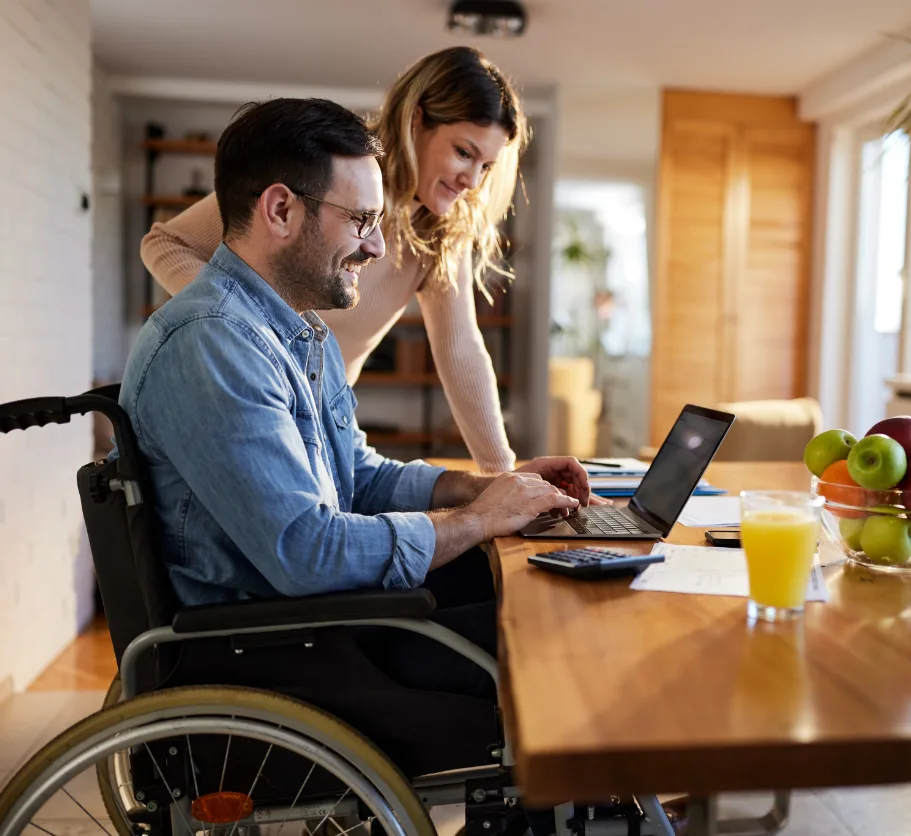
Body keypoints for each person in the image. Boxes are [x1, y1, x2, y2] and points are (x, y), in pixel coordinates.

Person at [119, 96, 589, 778]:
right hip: (282, 651)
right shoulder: (215, 344)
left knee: (541, 592)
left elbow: (358, 479)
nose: (376, 247)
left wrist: (487, 488)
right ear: (281, 211)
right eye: (363, 221)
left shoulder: (297, 332)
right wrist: (476, 521)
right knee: (554, 639)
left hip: (317, 624)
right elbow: (307, 551)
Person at [141, 46, 527, 473]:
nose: (472, 181)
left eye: (486, 167)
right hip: (240, 406)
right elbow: (165, 243)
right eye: (464, 153)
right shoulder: (331, 168)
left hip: (317, 426)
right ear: (416, 120)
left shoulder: (438, 232)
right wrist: (257, 331)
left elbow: (460, 351)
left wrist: (502, 476)